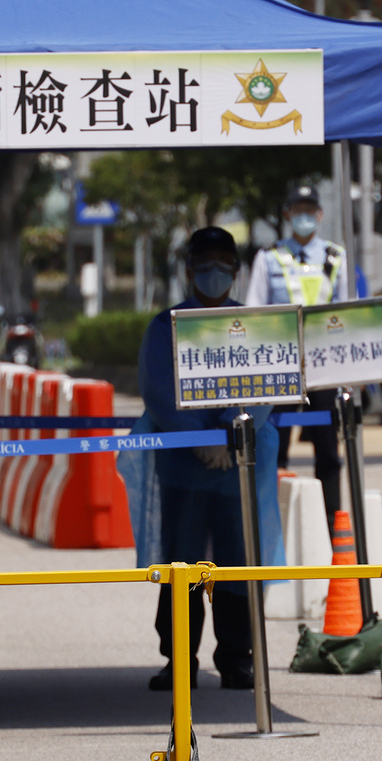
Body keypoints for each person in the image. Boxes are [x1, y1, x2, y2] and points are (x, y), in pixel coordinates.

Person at [135, 227, 280, 690]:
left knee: (238, 566)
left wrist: (233, 435)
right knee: (182, 565)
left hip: (237, 466)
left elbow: (266, 384)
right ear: (189, 269)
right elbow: (158, 389)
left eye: (223, 264)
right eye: (205, 264)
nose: (213, 273)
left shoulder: (255, 324)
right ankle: (179, 659)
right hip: (183, 467)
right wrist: (200, 440)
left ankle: (237, 657)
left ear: (236, 273)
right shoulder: (167, 326)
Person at [245, 184, 347, 521]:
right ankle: (271, 520)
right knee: (275, 444)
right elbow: (253, 310)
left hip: (323, 367)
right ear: (288, 213)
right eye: (297, 209)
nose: (304, 216)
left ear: (319, 214)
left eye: (310, 209)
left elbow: (345, 314)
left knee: (328, 449)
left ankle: (333, 523)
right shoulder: (269, 257)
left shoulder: (335, 257)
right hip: (280, 365)